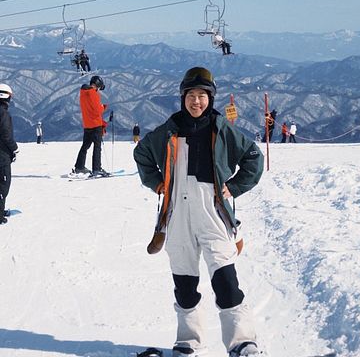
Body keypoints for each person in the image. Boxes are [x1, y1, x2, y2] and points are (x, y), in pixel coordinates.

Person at [134, 67, 264, 357]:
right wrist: (156, 182)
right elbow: (142, 153)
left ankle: (242, 343)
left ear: (210, 98)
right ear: (183, 98)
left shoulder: (221, 129)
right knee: (184, 284)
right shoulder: (170, 129)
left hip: (212, 212)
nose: (196, 101)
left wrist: (235, 186)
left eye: (202, 96)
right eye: (191, 95)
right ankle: (188, 342)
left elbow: (254, 157)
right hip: (177, 214)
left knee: (226, 281)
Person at [73, 75, 109, 177]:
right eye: (99, 87)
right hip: (96, 124)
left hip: (87, 124)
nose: (99, 90)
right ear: (97, 85)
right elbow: (97, 110)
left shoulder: (83, 92)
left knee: (85, 146)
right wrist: (103, 107)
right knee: (97, 147)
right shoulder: (93, 93)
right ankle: (97, 169)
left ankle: (79, 167)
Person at [0, 84, 18, 225]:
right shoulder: (3, 113)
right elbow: (6, 135)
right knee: (3, 183)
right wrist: (14, 148)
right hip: (2, 154)